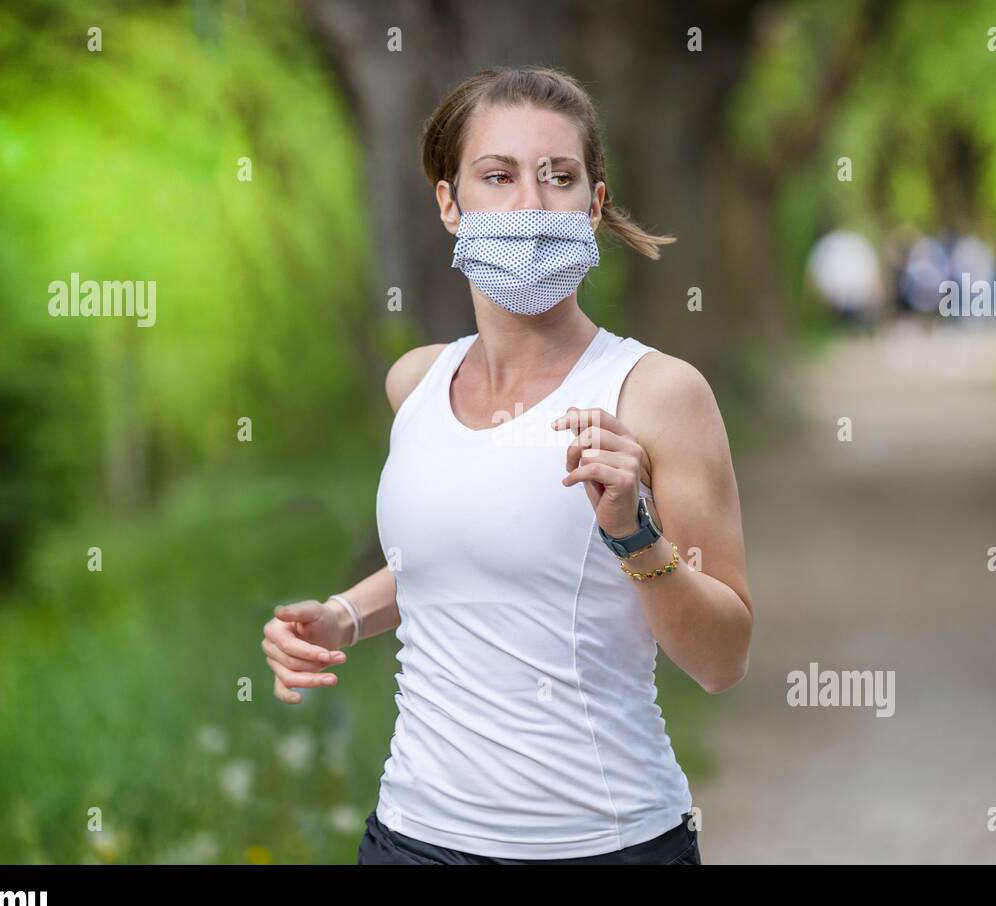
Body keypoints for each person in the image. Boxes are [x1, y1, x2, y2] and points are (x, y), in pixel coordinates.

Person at [260, 66, 753, 864]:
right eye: (498, 176)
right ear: (450, 205)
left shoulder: (659, 394)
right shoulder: (415, 383)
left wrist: (635, 535)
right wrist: (344, 615)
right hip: (411, 837)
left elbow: (723, 659)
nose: (530, 203)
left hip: (601, 843)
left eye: (559, 178)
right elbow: (459, 555)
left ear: (593, 207)